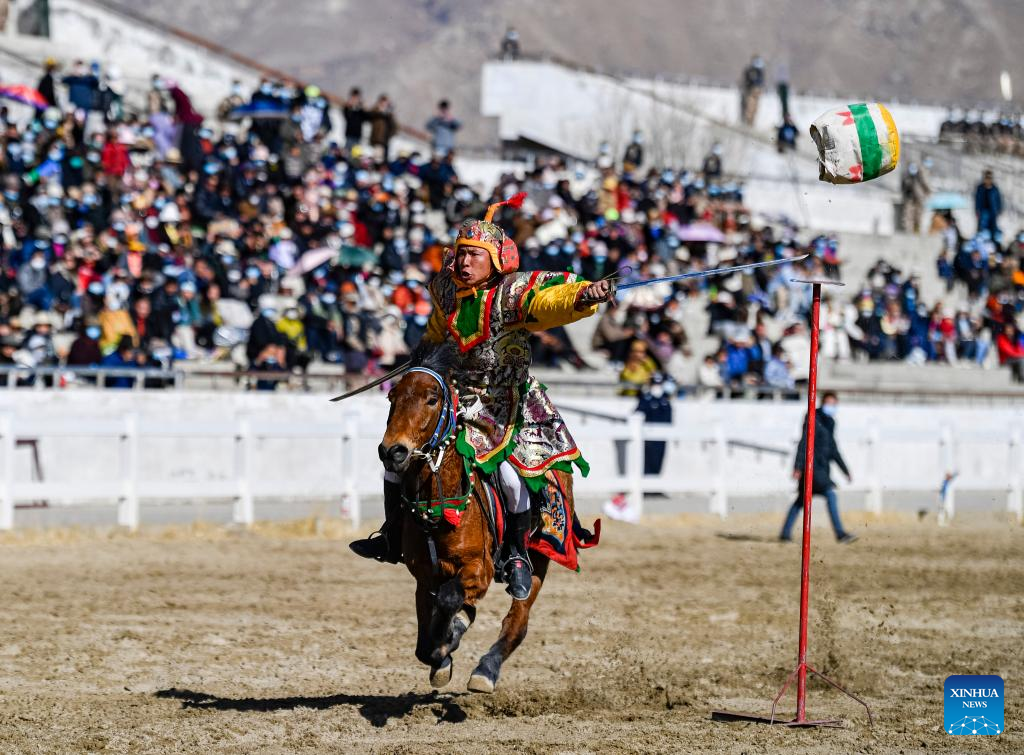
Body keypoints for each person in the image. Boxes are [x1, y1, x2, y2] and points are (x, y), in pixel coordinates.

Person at [350, 194, 614, 600]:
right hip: (456, 394)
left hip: (506, 402)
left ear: (494, 261)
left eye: (474, 255)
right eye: (460, 254)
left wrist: (583, 296)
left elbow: (551, 302)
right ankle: (390, 536)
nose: (464, 262)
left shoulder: (514, 293)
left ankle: (515, 555)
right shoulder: (445, 291)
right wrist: (417, 368)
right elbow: (437, 333)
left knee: (511, 477)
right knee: (398, 456)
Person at [780, 391, 857, 544]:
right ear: (823, 402)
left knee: (801, 500)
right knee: (830, 494)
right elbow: (804, 443)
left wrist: (845, 470)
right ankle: (840, 533)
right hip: (812, 468)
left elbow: (833, 448)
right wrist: (798, 466)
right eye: (829, 403)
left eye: (834, 404)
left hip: (823, 468)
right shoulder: (812, 417)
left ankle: (785, 533)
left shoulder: (831, 422)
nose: (832, 407)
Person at [900, 163, 930, 233]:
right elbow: (903, 187)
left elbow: (925, 185)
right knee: (908, 216)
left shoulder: (919, 176)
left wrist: (927, 193)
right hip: (909, 198)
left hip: (918, 198)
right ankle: (908, 232)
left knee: (918, 216)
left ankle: (917, 230)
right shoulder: (906, 176)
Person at [975, 169, 1002, 241]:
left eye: (989, 178)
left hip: (992, 211)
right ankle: (981, 242)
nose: (988, 180)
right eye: (986, 178)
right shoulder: (980, 188)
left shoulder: (994, 189)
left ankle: (993, 242)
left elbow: (998, 200)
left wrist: (999, 210)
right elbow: (977, 200)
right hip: (983, 211)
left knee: (993, 227)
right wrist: (977, 210)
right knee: (982, 227)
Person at [368, 94, 397, 162]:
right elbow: (369, 116)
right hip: (375, 140)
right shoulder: (375, 111)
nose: (384, 104)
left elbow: (394, 128)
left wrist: (388, 136)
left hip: (384, 141)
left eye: (385, 102)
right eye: (382, 102)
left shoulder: (389, 115)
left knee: (380, 160)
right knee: (374, 159)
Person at [740, 55, 765, 126]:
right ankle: (746, 123)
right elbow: (746, 81)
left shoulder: (760, 71)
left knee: (755, 109)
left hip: (757, 92)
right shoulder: (749, 70)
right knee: (749, 109)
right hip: (750, 91)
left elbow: (761, 82)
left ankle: (751, 124)